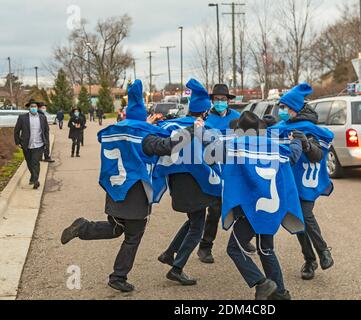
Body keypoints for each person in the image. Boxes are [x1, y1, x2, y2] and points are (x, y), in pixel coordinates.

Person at [60, 80, 171, 293]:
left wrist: (145, 125)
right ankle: (118, 277)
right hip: (135, 195)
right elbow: (165, 146)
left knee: (116, 228)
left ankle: (83, 227)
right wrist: (190, 133)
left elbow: (135, 136)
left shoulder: (118, 131)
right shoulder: (145, 137)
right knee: (132, 237)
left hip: (116, 191)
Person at [142, 79, 220, 286]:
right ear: (204, 112)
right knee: (197, 226)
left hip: (177, 182)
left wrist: (146, 124)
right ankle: (177, 268)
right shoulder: (204, 129)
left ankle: (169, 253)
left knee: (193, 220)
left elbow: (154, 136)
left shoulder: (172, 125)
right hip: (196, 183)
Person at [220, 111, 305, 300]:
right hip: (272, 207)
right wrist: (296, 141)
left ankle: (262, 282)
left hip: (252, 209)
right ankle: (280, 293)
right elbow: (292, 156)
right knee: (266, 249)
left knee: (233, 248)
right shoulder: (274, 147)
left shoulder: (235, 147)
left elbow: (214, 157)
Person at [270, 83, 335, 281]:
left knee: (306, 216)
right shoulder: (279, 128)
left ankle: (323, 251)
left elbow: (317, 155)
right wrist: (263, 128)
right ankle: (309, 260)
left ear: (295, 109)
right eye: (280, 107)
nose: (282, 111)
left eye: (285, 108)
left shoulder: (309, 128)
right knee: (297, 220)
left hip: (306, 182)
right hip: (287, 181)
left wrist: (306, 144)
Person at [197, 84, 255, 264]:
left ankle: (242, 241)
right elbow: (199, 145)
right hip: (214, 170)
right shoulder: (205, 120)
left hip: (234, 170)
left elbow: (247, 140)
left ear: (229, 101)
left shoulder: (238, 118)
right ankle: (205, 247)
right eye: (216, 99)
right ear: (212, 101)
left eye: (223, 99)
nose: (220, 102)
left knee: (241, 207)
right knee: (214, 210)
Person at [14, 99, 49, 190]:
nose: (33, 108)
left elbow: (46, 131)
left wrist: (46, 143)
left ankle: (36, 181)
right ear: (29, 108)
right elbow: (16, 131)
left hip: (39, 144)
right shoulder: (22, 118)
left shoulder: (42, 117)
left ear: (38, 108)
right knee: (29, 163)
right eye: (32, 107)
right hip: (26, 145)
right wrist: (18, 142)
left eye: (35, 107)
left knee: (35, 162)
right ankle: (33, 177)